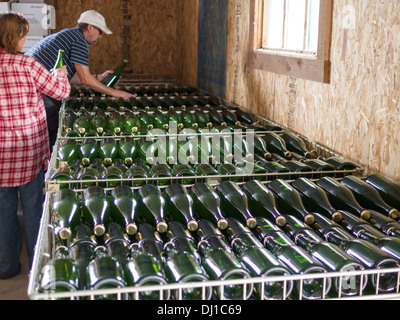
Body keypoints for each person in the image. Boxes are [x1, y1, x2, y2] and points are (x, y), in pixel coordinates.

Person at [0, 12, 71, 279]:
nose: (24, 39)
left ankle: (7, 265)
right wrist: (61, 74)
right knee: (32, 208)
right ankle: (36, 267)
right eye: (23, 34)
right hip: (26, 148)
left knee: (4, 210)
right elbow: (60, 92)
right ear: (16, 37)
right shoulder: (28, 65)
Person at [26, 10, 134, 150]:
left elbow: (70, 77)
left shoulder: (69, 35)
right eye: (100, 32)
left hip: (28, 85)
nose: (101, 37)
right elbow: (85, 79)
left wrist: (97, 77)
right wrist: (116, 93)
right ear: (90, 27)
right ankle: (47, 163)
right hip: (33, 88)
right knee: (50, 119)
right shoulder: (79, 40)